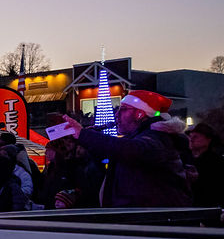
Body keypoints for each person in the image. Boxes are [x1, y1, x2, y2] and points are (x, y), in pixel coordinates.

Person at [60, 90, 191, 208]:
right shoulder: (140, 138)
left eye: (123, 109)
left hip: (154, 220)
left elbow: (133, 150)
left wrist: (85, 135)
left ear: (139, 114)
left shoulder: (157, 138)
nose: (117, 114)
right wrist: (89, 142)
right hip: (142, 217)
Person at [187, 122, 224, 220]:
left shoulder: (215, 161)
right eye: (190, 136)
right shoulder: (185, 158)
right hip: (188, 207)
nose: (191, 139)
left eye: (196, 136)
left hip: (208, 208)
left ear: (208, 140)